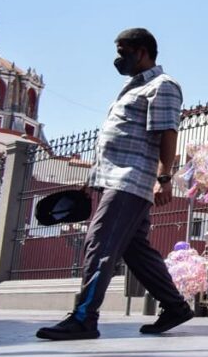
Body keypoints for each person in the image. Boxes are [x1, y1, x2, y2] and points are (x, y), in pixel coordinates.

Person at [37, 28, 193, 340]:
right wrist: (92, 178)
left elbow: (167, 133)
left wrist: (164, 179)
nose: (118, 59)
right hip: (113, 179)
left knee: (100, 243)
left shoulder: (163, 86)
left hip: (131, 181)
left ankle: (84, 317)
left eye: (124, 52)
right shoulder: (131, 88)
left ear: (143, 51)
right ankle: (175, 306)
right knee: (135, 250)